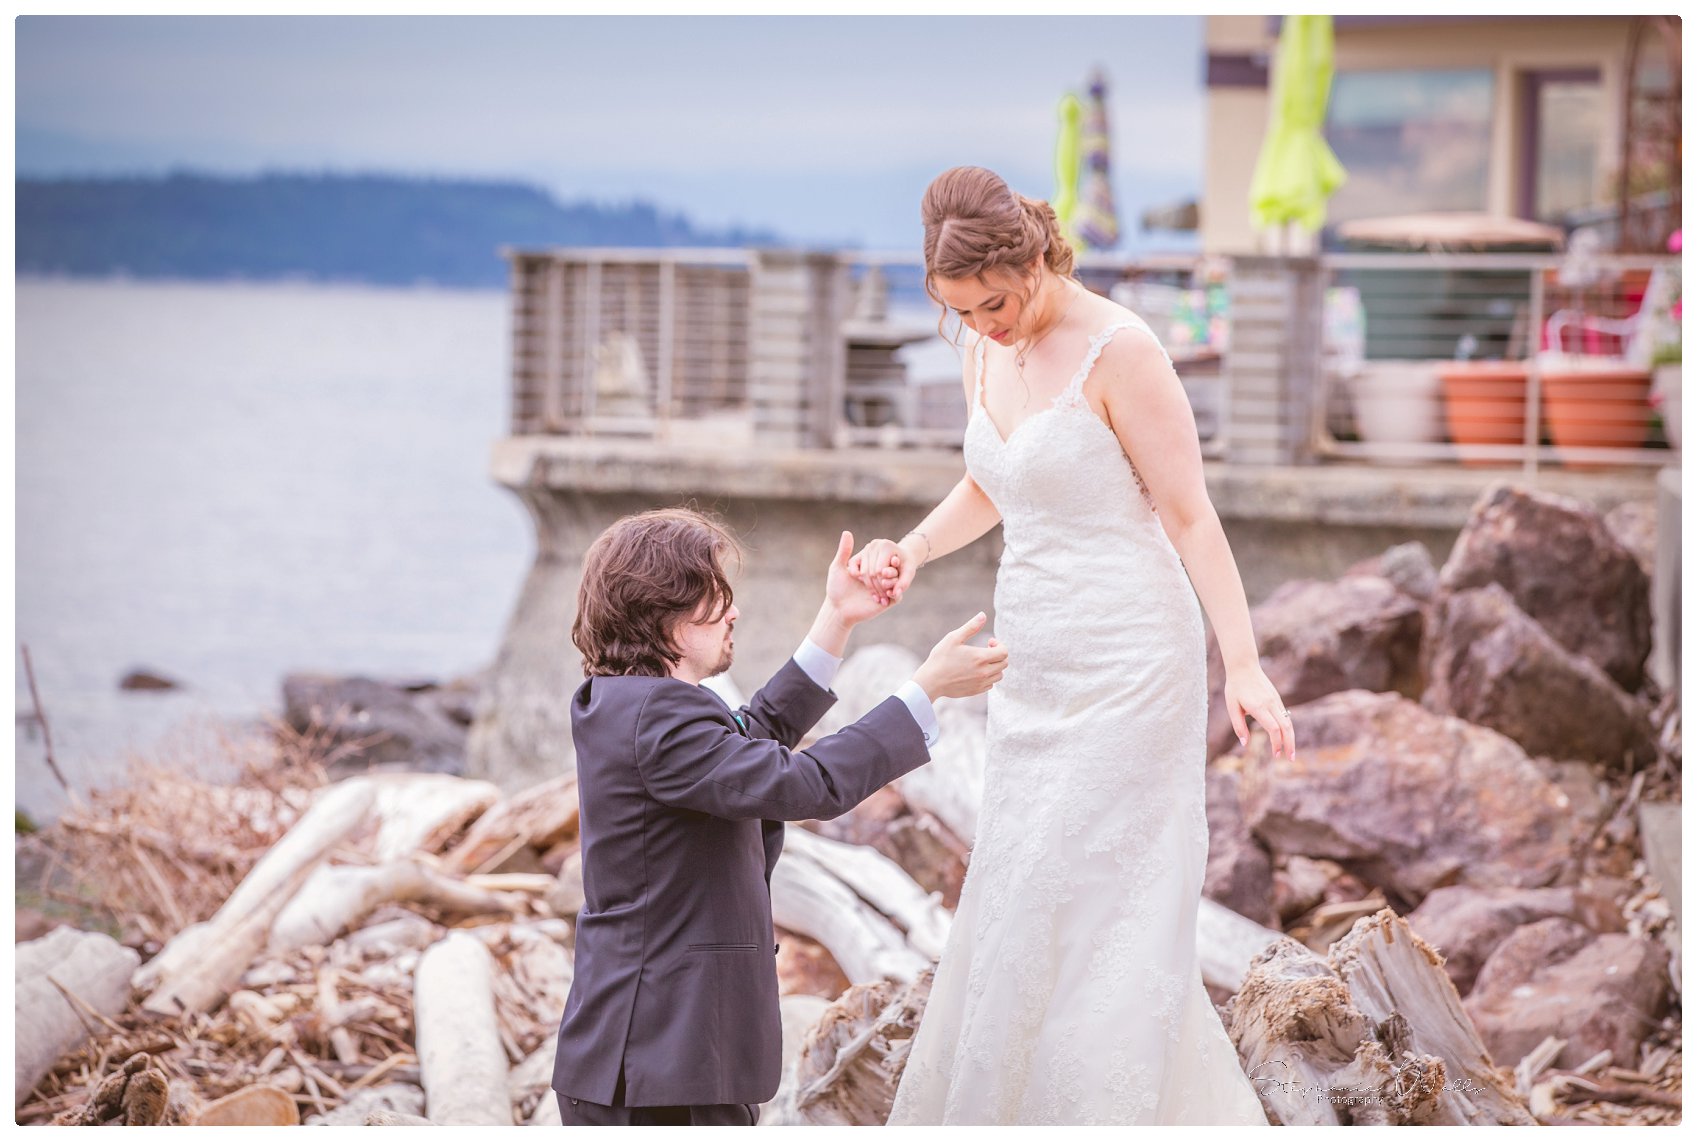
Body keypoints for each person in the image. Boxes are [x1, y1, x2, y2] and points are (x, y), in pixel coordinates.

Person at [849, 167, 1292, 1125]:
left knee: (1102, 902)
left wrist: (1244, 665)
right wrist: (913, 550)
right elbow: (997, 480)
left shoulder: (1121, 352)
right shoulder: (983, 346)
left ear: (1035, 258)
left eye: (995, 303)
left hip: (1133, 658)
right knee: (1017, 887)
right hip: (1034, 664)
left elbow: (1189, 514)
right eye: (961, 312)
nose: (984, 325)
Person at [550, 507, 1007, 1126]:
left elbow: (753, 735)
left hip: (661, 1055)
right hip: (659, 1065)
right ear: (665, 616)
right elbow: (805, 784)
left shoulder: (629, 705)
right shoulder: (658, 721)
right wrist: (924, 692)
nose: (734, 611)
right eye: (716, 598)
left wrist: (838, 616)